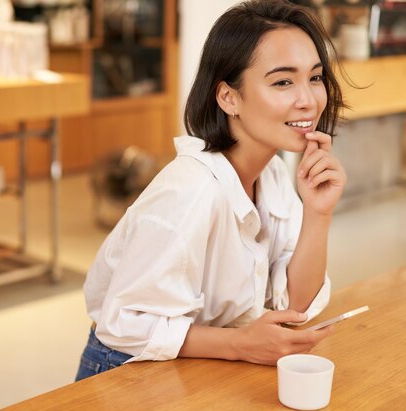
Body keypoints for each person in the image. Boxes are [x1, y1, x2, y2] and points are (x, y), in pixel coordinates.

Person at [75, 0, 347, 381]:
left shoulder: (271, 177)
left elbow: (295, 305)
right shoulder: (191, 191)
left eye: (315, 77)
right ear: (228, 97)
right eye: (283, 81)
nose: (309, 99)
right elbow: (124, 325)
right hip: (127, 370)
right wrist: (240, 345)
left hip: (203, 364)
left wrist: (319, 213)